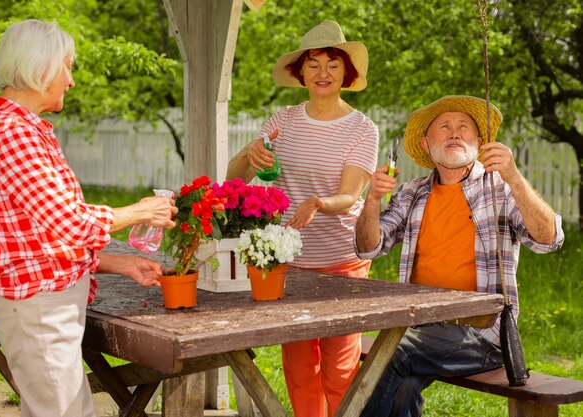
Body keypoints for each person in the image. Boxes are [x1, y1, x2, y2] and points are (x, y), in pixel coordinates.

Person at [0, 19, 178, 417]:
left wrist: (118, 263)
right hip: (40, 311)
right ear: (40, 67)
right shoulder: (12, 131)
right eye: (67, 67)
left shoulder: (22, 128)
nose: (71, 81)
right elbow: (67, 221)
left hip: (43, 308)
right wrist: (140, 210)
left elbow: (42, 236)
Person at [354, 95, 565, 417]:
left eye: (464, 127)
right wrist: (372, 199)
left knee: (389, 355)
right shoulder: (412, 193)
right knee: (403, 384)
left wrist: (514, 178)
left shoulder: (501, 190)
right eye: (445, 127)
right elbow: (369, 247)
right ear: (426, 144)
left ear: (480, 142)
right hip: (420, 326)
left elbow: (549, 240)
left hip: (482, 333)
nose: (455, 133)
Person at [227, 20, 379, 417]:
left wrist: (318, 203)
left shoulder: (362, 129)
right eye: (314, 64)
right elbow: (234, 180)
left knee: (341, 368)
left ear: (347, 72)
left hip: (343, 263)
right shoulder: (283, 122)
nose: (323, 73)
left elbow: (351, 196)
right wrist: (250, 152)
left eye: (332, 64)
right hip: (287, 263)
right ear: (301, 73)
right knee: (299, 371)